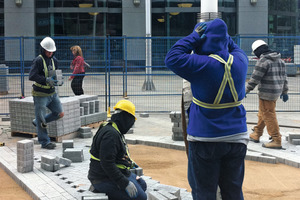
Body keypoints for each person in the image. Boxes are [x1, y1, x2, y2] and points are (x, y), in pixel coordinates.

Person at [165, 18, 249, 200]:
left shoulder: (200, 64)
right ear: (225, 40)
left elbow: (172, 57)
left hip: (205, 138)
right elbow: (233, 47)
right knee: (233, 191)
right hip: (237, 137)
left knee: (204, 192)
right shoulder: (241, 62)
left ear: (205, 40)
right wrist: (223, 34)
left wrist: (194, 37)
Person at [88, 100, 147, 200]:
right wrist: (125, 183)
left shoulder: (115, 128)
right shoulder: (110, 135)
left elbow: (118, 156)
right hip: (102, 178)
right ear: (125, 118)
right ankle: (99, 189)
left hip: (113, 173)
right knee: (141, 198)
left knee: (142, 184)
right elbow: (107, 164)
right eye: (131, 121)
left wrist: (130, 166)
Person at [246, 40, 289, 149]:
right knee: (263, 113)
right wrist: (284, 92)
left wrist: (245, 90)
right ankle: (257, 133)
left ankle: (276, 139)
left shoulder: (263, 61)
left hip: (266, 93)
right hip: (275, 93)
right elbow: (284, 78)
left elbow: (254, 79)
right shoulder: (280, 61)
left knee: (269, 115)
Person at [29, 36, 64, 149]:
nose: (50, 53)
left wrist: (57, 81)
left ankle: (37, 121)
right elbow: (32, 76)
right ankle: (45, 142)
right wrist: (45, 80)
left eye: (52, 51)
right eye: (48, 51)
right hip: (40, 95)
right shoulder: (38, 61)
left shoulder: (55, 61)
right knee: (42, 121)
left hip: (52, 94)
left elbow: (54, 75)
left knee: (59, 113)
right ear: (43, 49)